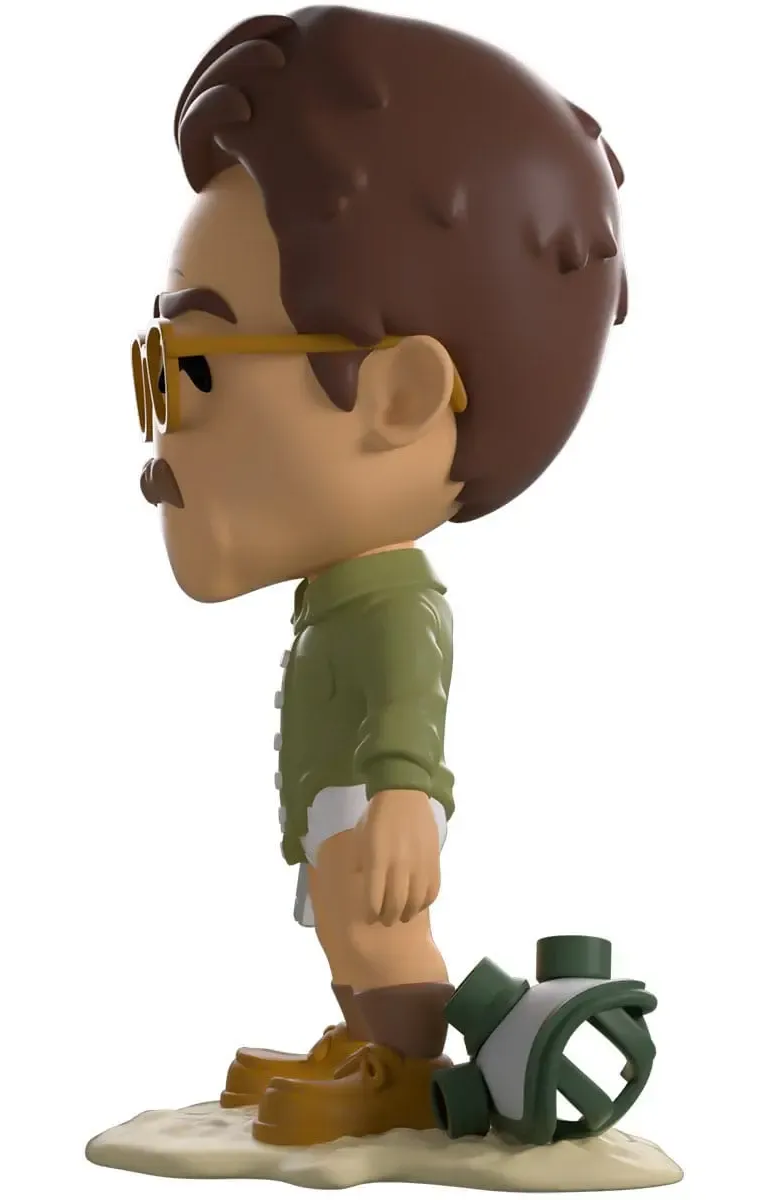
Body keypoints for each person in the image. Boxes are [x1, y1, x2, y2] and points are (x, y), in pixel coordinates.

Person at [132, 4, 626, 1146]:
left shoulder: (398, 608)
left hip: (372, 804)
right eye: (156, 365)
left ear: (398, 398)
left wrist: (404, 795)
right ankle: (370, 1044)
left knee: (379, 927)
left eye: (193, 366)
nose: (159, 431)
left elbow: (409, 705)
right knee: (348, 929)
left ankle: (404, 1068)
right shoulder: (337, 598)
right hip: (338, 804)